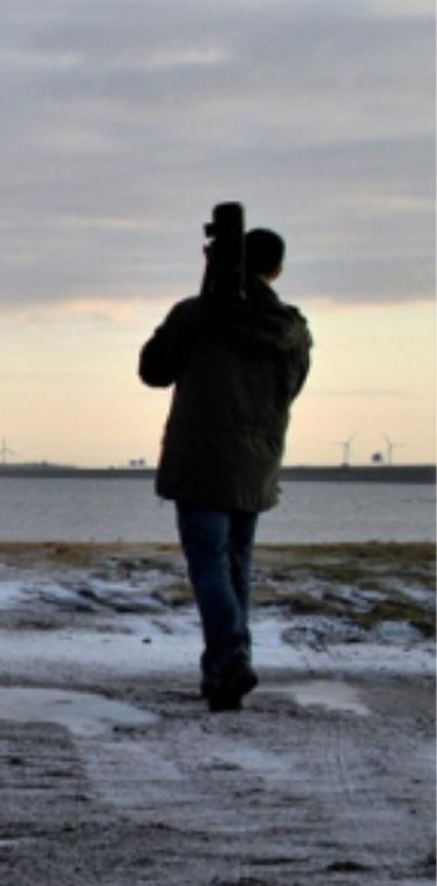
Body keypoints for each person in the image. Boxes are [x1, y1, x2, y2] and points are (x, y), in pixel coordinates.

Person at [139, 226, 312, 712]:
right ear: (276, 269)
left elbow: (152, 369)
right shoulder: (291, 330)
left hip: (199, 461)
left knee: (210, 564)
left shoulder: (197, 316)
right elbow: (291, 388)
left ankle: (229, 657)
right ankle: (226, 666)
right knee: (236, 565)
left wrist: (202, 306)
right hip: (255, 463)